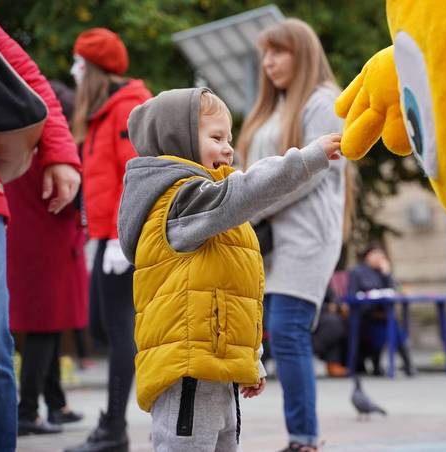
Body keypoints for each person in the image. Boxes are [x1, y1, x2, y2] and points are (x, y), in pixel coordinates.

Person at [116, 86, 341, 450]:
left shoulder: (215, 214)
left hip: (217, 373)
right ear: (180, 139)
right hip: (187, 373)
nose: (228, 148)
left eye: (229, 138)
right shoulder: (180, 202)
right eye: (216, 137)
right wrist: (306, 159)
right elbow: (245, 191)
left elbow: (237, 296)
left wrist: (252, 361)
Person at [236, 18, 350, 452]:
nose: (269, 62)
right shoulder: (270, 108)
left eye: (278, 52)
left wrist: (247, 207)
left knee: (287, 330)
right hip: (266, 236)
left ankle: (304, 439)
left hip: (307, 235)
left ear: (301, 54)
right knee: (270, 332)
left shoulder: (324, 101)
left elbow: (313, 173)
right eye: (265, 53)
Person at [0, 13, 81, 450]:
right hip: (43, 254)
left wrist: (59, 151)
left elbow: (25, 75)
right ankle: (37, 409)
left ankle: (33, 412)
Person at [64, 28, 151, 452]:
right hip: (102, 235)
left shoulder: (127, 107)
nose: (73, 71)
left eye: (79, 64)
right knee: (100, 326)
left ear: (95, 70)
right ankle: (113, 423)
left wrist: (123, 238)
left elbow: (135, 175)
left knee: (119, 332)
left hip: (122, 237)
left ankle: (114, 427)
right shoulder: (100, 113)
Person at [6, 80, 87, 437]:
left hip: (26, 247)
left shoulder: (15, 144)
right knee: (44, 330)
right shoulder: (54, 154)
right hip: (52, 247)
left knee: (48, 328)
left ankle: (56, 403)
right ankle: (28, 410)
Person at [348, 242, 415, 376]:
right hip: (365, 316)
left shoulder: (381, 273)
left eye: (381, 255)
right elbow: (352, 294)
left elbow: (393, 290)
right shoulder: (358, 272)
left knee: (393, 327)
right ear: (368, 255)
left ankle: (404, 365)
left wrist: (387, 274)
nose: (379, 258)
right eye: (376, 255)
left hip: (384, 316)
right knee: (390, 329)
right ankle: (407, 365)